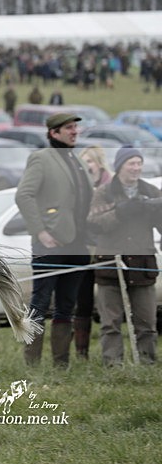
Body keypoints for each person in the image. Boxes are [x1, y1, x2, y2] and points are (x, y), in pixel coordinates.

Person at [15, 112, 92, 367]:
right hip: (50, 245)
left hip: (77, 245)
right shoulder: (41, 158)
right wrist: (41, 232)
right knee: (39, 304)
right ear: (54, 133)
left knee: (66, 306)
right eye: (68, 128)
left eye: (75, 127)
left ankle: (61, 364)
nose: (74, 132)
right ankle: (32, 365)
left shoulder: (76, 160)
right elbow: (24, 196)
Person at [87, 146, 160, 366]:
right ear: (120, 167)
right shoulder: (104, 192)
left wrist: (154, 210)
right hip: (110, 263)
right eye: (131, 163)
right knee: (111, 322)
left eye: (139, 163)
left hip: (142, 263)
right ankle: (113, 365)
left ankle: (147, 363)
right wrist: (120, 212)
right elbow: (94, 223)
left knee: (147, 321)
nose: (136, 168)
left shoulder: (151, 191)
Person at [74, 145, 113, 358]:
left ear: (98, 163)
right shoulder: (79, 188)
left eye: (89, 161)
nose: (87, 166)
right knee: (83, 301)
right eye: (83, 162)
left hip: (108, 250)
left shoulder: (112, 186)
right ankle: (82, 352)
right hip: (85, 250)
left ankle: (114, 353)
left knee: (111, 303)